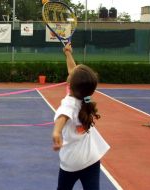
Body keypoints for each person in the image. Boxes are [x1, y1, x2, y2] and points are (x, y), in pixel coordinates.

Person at [52, 43, 110, 190]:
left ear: (69, 83)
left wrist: (57, 131)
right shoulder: (85, 97)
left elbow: (63, 115)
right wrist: (68, 53)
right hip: (91, 159)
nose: (70, 71)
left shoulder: (70, 102)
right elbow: (74, 71)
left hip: (71, 163)